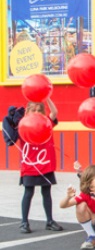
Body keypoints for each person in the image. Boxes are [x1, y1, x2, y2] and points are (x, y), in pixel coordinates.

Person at [3, 99, 63, 233]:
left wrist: (47, 98)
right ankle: (24, 222)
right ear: (27, 112)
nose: (36, 112)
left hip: (45, 164)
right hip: (30, 165)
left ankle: (50, 221)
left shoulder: (46, 123)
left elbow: (54, 112)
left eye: (39, 110)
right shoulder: (22, 124)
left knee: (46, 192)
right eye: (33, 110)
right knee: (28, 192)